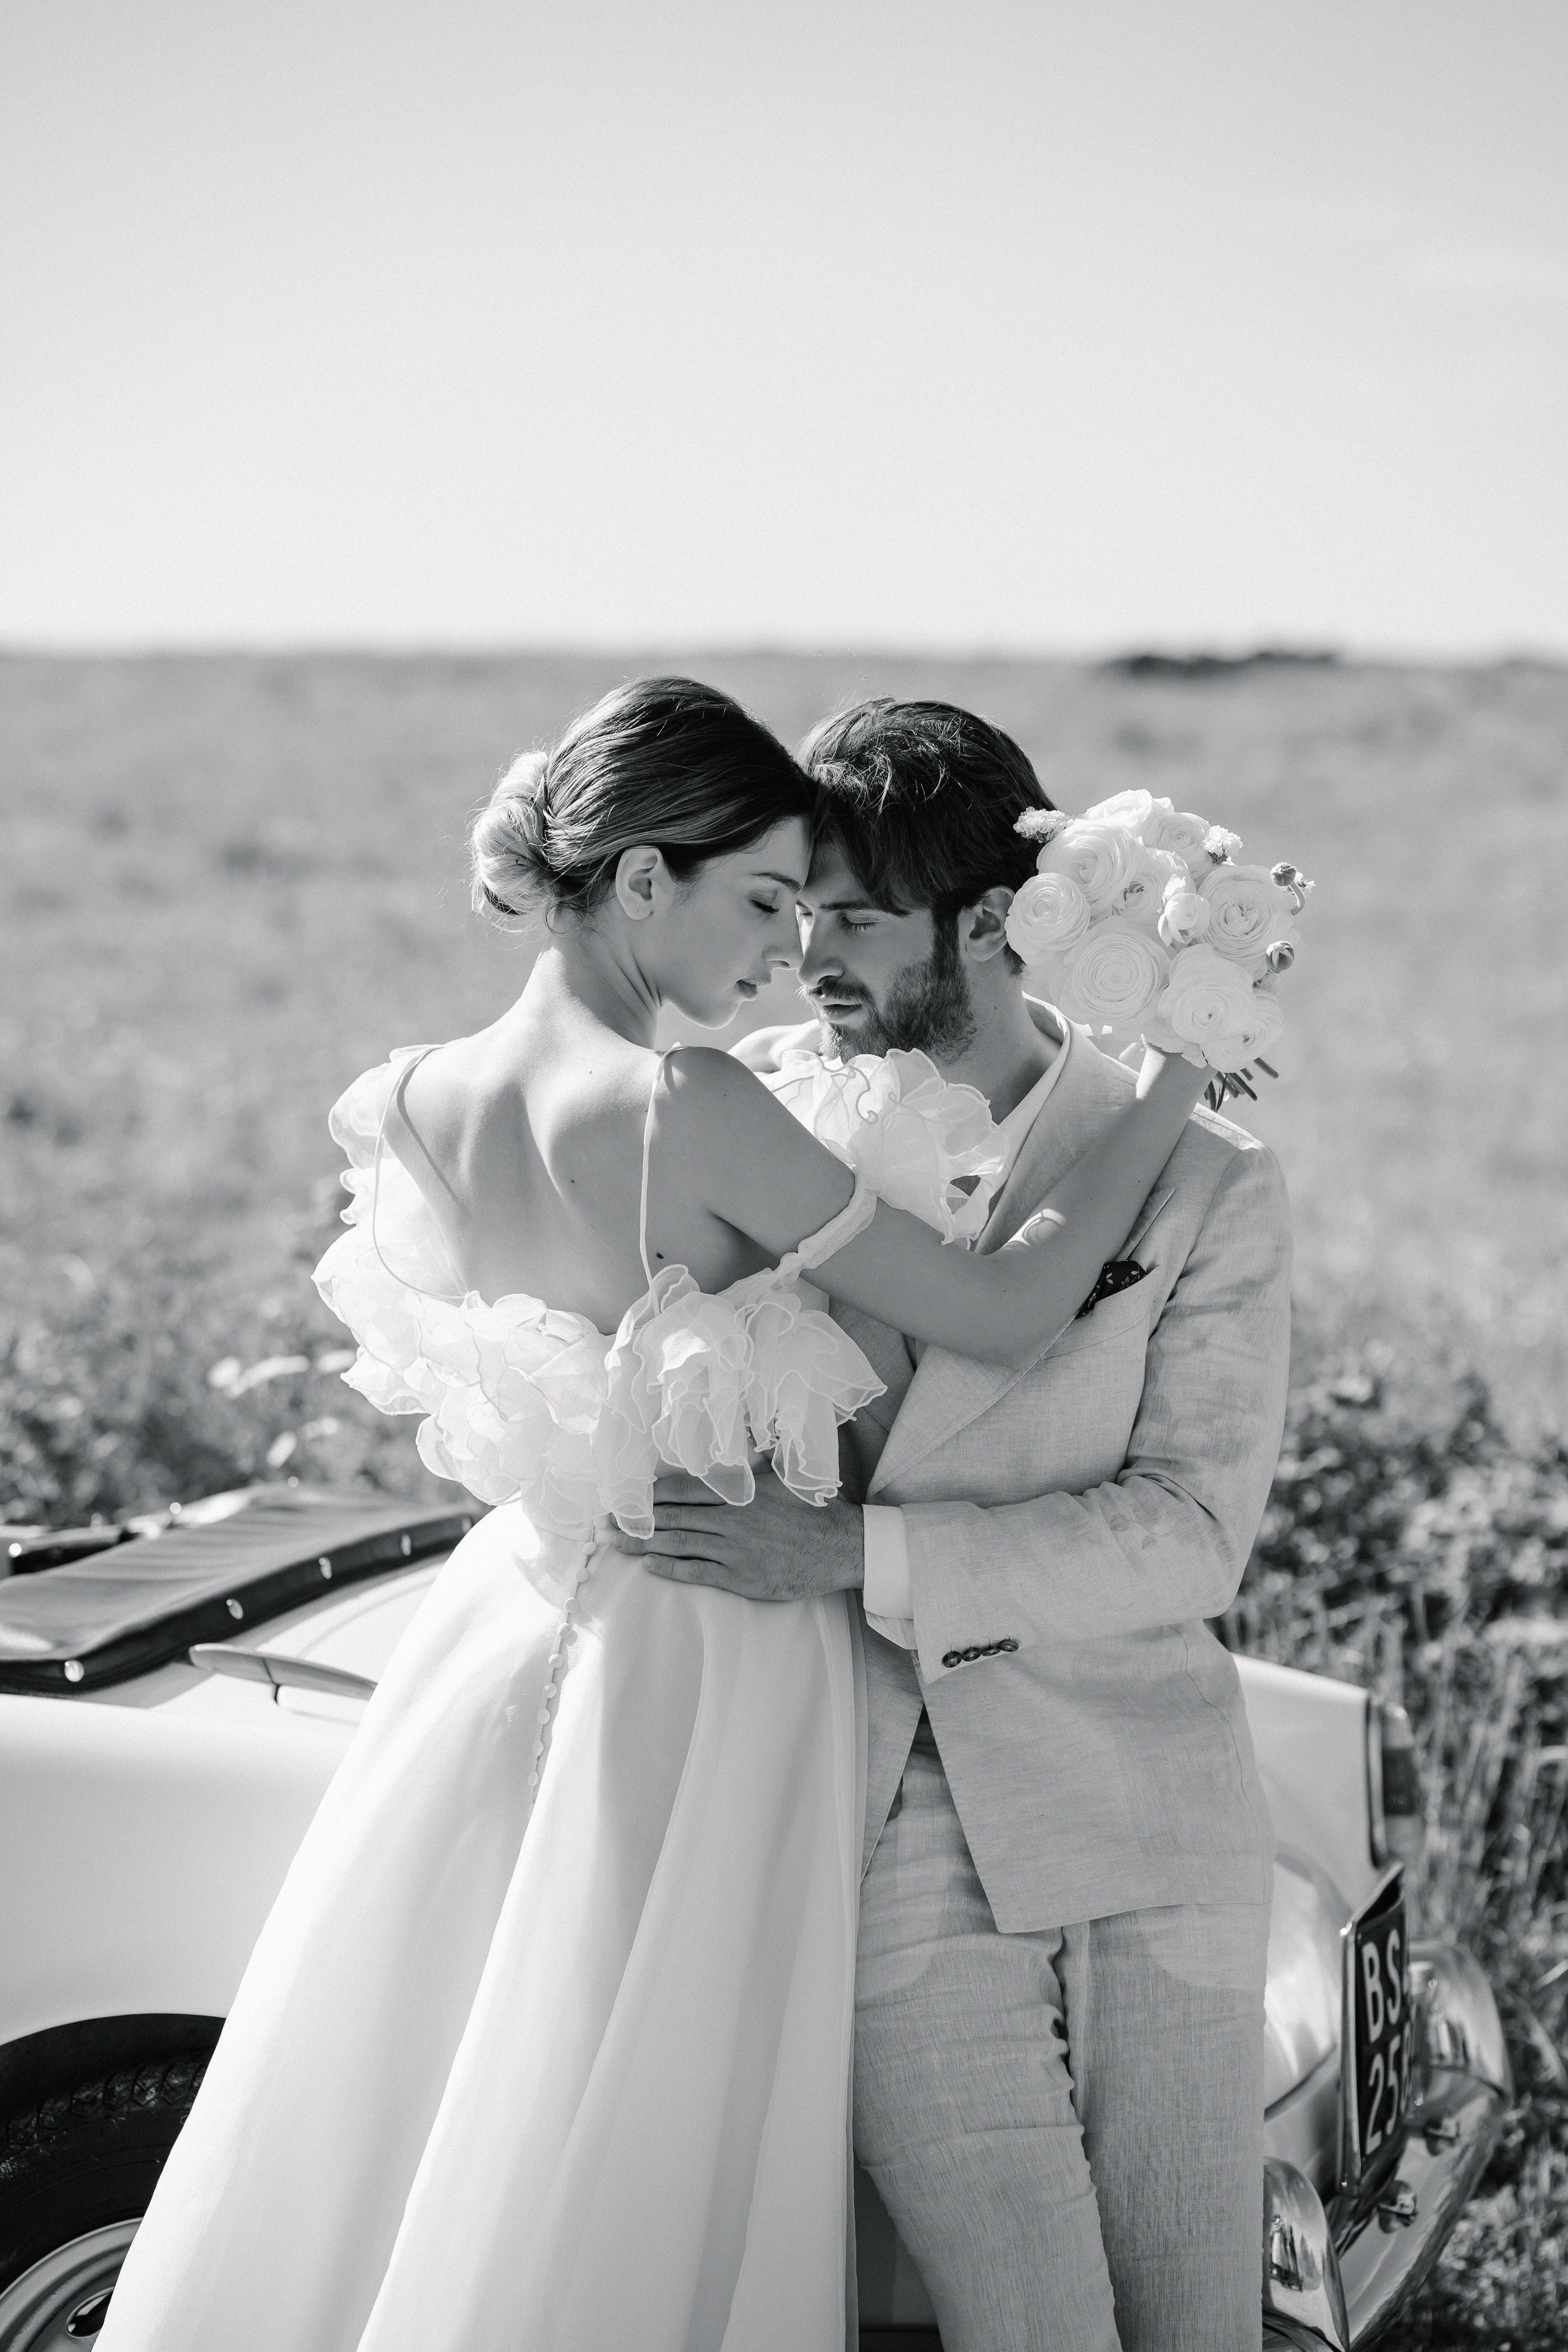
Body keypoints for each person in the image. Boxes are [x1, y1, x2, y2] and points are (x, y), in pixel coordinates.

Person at [93, 679, 1212, 2352]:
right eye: (760, 902)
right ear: (638, 882)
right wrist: (1175, 1080)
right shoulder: (693, 1105)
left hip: (502, 1625)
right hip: (705, 1651)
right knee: (651, 2119)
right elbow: (1005, 1312)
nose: (784, 951)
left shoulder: (412, 1097)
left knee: (444, 2076)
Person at [647, 699, 1292, 2352]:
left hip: (1144, 1805)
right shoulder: (746, 1120)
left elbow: (1189, 1531)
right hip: (874, 1816)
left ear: (994, 922)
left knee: (1197, 2321)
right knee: (1027, 2321)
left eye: (857, 919)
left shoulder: (1204, 1175)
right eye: (796, 913)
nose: (808, 959)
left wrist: (862, 1557)